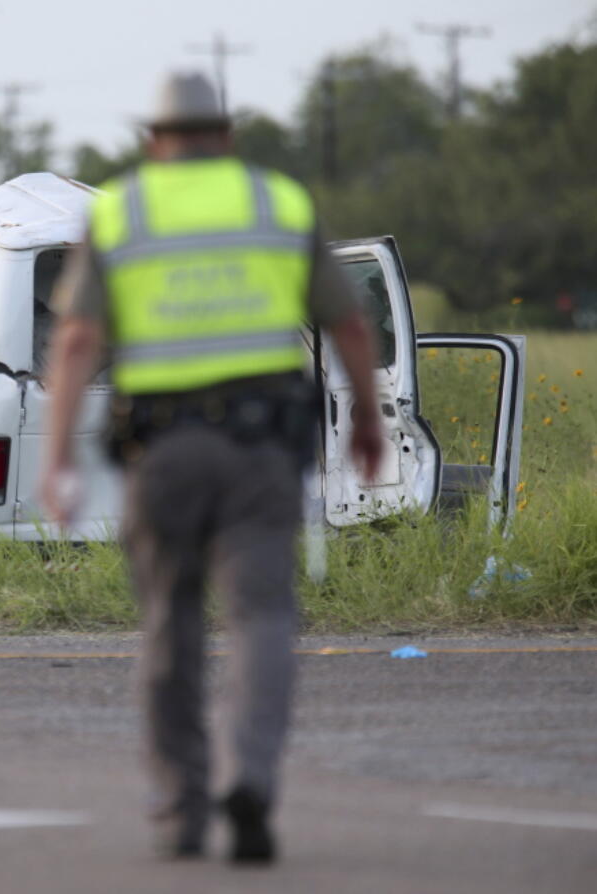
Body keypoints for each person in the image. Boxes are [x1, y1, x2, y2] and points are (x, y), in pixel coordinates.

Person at [40, 73, 383, 865]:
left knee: (171, 622)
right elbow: (350, 324)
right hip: (262, 450)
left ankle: (182, 809)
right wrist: (366, 419)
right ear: (226, 136)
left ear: (154, 140)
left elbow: (76, 342)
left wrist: (56, 457)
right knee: (262, 616)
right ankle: (253, 779)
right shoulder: (279, 203)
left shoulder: (122, 211)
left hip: (164, 454)